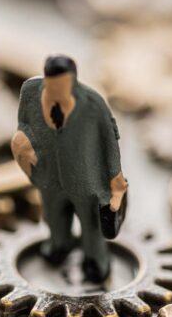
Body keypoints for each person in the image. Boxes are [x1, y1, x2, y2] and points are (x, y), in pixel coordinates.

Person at [11, 55, 128, 282]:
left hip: (86, 181)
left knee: (91, 224)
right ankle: (59, 244)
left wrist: (115, 179)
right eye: (52, 84)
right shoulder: (31, 91)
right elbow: (23, 122)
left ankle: (96, 260)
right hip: (48, 174)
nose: (56, 91)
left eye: (62, 85)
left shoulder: (93, 104)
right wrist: (21, 140)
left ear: (73, 81)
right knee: (53, 215)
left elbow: (109, 141)